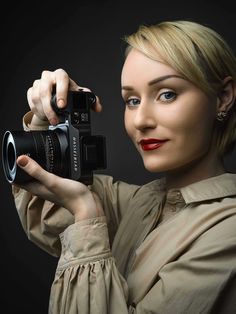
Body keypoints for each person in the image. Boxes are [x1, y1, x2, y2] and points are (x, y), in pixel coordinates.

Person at [11, 20, 236, 313]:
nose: (141, 120)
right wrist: (48, 116)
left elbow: (81, 209)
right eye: (131, 100)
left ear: (223, 97)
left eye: (167, 94)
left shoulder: (228, 232)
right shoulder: (136, 204)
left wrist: (86, 214)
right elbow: (47, 211)